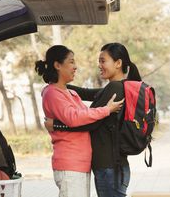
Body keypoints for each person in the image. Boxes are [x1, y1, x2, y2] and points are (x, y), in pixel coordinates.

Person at [45, 43, 142, 197]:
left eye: (103, 61)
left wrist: (56, 125)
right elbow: (87, 93)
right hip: (115, 165)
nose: (100, 65)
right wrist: (58, 83)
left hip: (108, 165)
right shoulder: (121, 87)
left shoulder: (114, 89)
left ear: (118, 63)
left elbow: (89, 122)